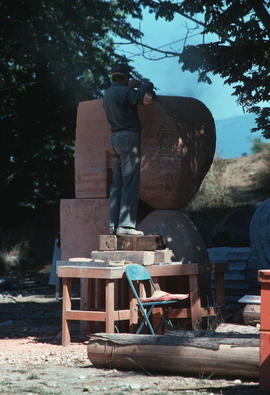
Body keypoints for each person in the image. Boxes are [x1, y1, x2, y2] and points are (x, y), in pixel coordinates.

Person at [103, 63, 155, 236]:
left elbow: (124, 98)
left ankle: (112, 225)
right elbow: (147, 99)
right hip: (128, 139)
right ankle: (125, 226)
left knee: (116, 184)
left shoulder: (108, 94)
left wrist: (131, 88)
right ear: (125, 77)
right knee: (130, 182)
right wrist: (145, 85)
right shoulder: (126, 92)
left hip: (114, 139)